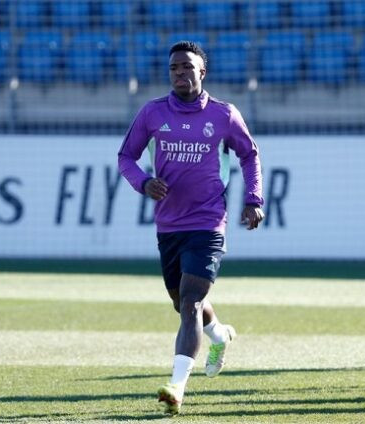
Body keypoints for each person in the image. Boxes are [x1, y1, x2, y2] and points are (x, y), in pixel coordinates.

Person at [118, 41, 265, 415]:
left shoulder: (223, 115)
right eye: (174, 68)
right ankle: (219, 334)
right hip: (169, 224)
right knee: (181, 302)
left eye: (187, 67)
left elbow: (249, 155)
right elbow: (126, 157)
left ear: (202, 72)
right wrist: (143, 182)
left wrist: (253, 198)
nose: (180, 73)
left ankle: (176, 387)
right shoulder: (152, 113)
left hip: (208, 221)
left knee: (190, 302)